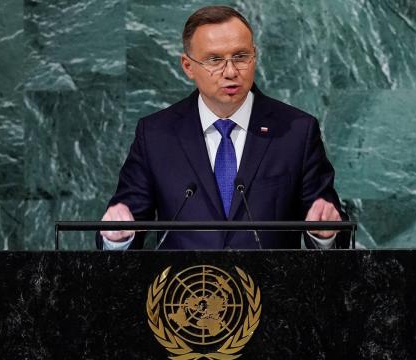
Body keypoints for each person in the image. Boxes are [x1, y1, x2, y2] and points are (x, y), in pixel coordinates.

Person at [97, 5, 349, 250]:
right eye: (215, 60)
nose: (230, 71)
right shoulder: (155, 135)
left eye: (240, 57)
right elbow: (125, 224)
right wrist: (118, 239)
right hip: (184, 289)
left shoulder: (296, 132)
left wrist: (324, 235)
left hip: (273, 289)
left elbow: (328, 225)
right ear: (188, 66)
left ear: (254, 55)